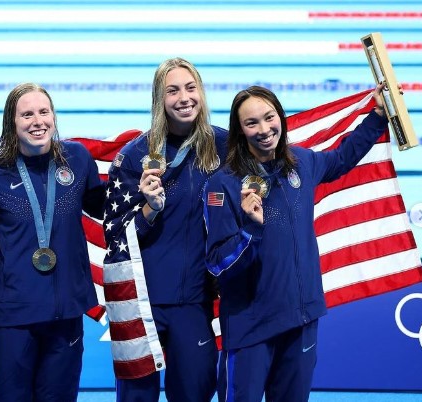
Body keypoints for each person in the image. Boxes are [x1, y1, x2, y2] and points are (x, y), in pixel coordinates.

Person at [203, 83, 390, 402]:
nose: (264, 129)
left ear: (281, 118)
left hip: (301, 318)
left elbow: (342, 158)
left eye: (269, 117)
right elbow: (218, 264)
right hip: (251, 327)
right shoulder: (223, 185)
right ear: (239, 132)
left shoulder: (302, 163)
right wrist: (250, 229)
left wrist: (377, 118)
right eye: (252, 123)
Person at [103, 57, 227, 401]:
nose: (183, 97)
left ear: (201, 92)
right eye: (172, 91)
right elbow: (114, 238)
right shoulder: (133, 156)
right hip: (143, 303)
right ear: (159, 99)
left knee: (194, 394)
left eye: (190, 88)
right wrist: (148, 211)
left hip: (195, 302)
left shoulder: (224, 146)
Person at [0, 83, 106, 401]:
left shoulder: (76, 159)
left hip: (63, 314)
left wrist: (145, 194)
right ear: (12, 122)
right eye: (27, 114)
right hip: (10, 319)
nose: (37, 121)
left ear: (53, 116)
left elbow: (105, 207)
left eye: (43, 112)